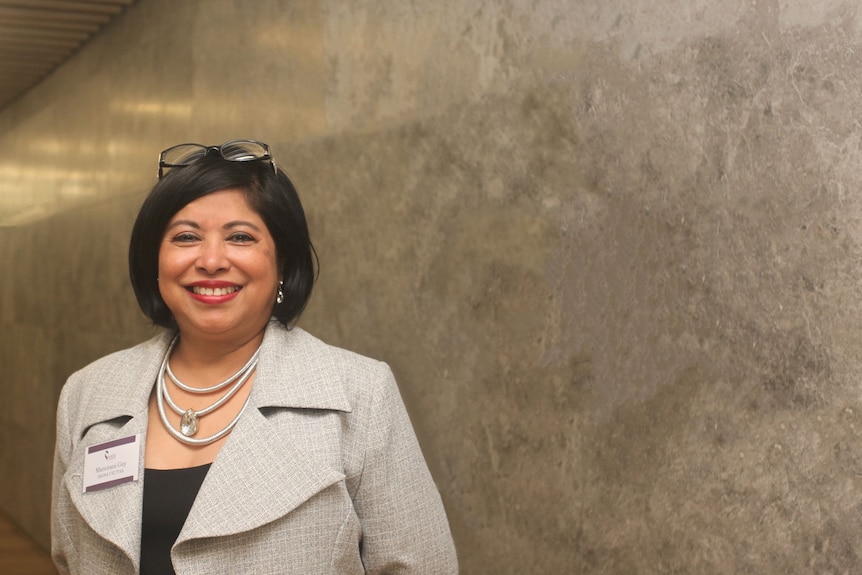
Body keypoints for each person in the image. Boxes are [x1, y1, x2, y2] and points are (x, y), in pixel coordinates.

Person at [50, 139, 458, 574]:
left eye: (240, 237)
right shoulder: (88, 393)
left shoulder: (360, 394)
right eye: (186, 237)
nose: (210, 260)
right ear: (155, 260)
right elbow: (67, 556)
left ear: (283, 262)